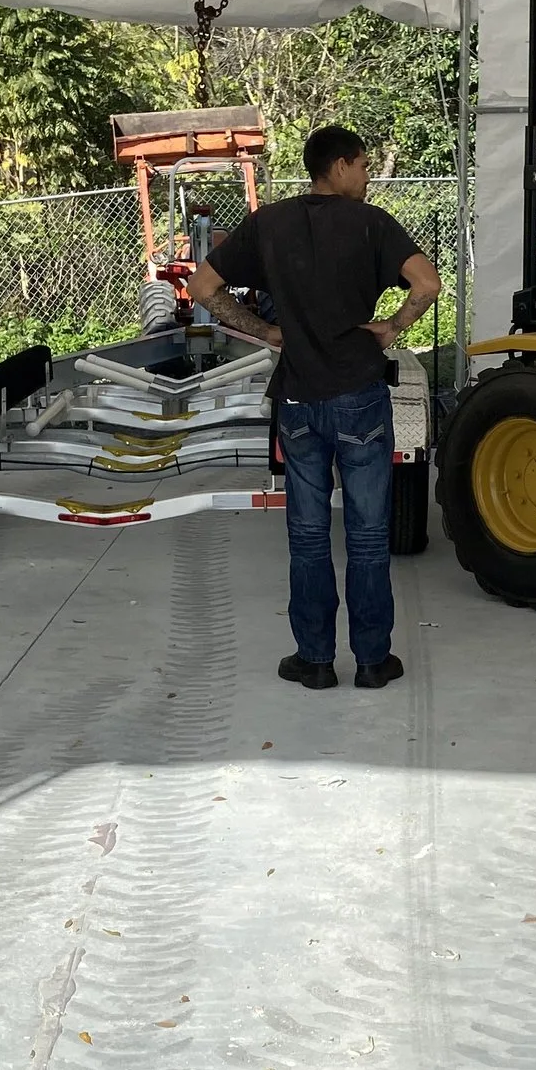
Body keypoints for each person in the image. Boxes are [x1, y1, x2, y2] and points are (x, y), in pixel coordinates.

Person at [189, 125, 442, 691]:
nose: (368, 176)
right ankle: (372, 661)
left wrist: (265, 331)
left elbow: (203, 287)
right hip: (359, 397)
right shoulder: (372, 224)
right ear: (342, 165)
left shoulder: (269, 224)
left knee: (307, 536)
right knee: (368, 536)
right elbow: (427, 284)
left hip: (299, 400)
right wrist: (392, 327)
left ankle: (315, 661)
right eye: (365, 165)